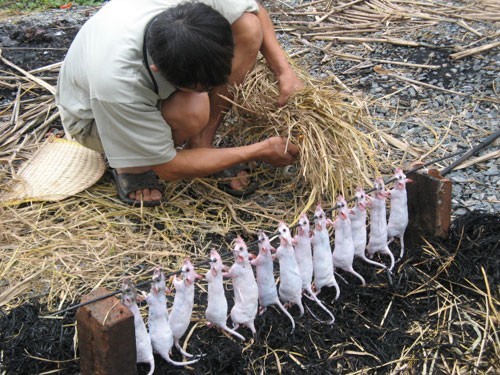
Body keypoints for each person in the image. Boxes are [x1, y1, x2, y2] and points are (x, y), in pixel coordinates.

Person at [56, 0, 302, 206]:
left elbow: (254, 9)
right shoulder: (115, 82)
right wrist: (257, 150)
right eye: (202, 88)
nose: (210, 92)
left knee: (247, 27)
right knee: (191, 111)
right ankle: (132, 165)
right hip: (93, 118)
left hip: (136, 74)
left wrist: (283, 70)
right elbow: (168, 167)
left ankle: (201, 146)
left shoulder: (191, 9)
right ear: (158, 71)